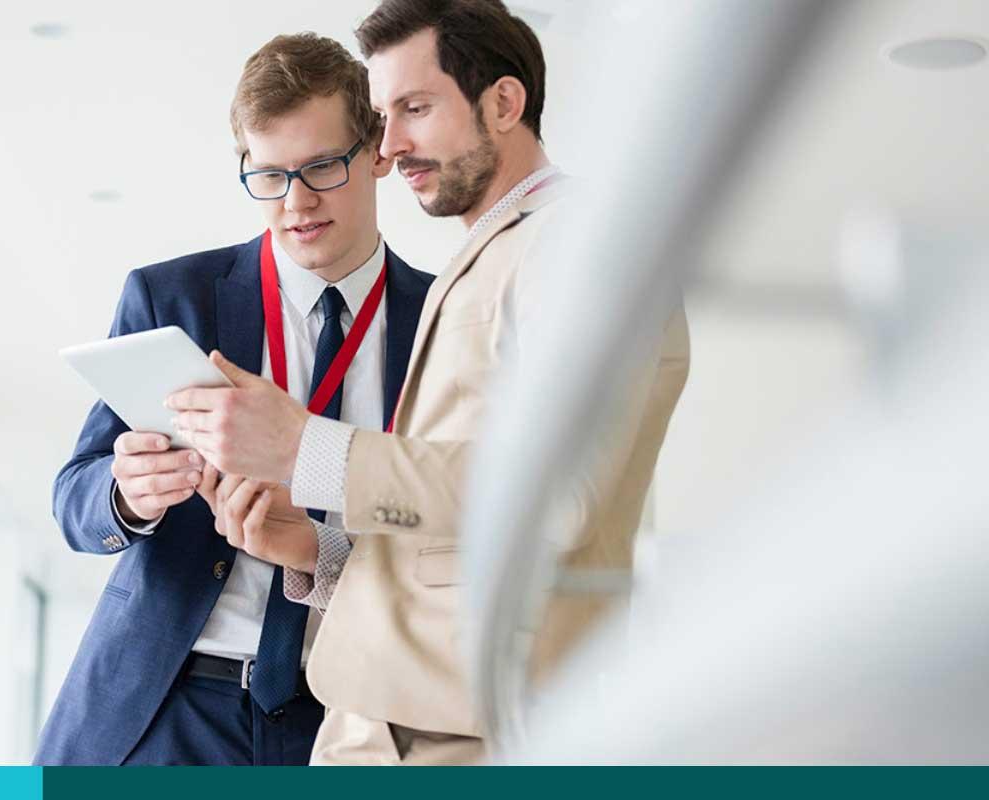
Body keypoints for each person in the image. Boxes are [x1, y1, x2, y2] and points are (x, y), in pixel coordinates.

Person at [175, 0, 691, 765]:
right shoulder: (500, 251)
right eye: (383, 116)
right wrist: (323, 549)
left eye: (415, 108)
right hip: (399, 715)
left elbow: (560, 493)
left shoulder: (580, 243)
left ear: (505, 103)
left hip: (461, 727)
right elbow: (469, 527)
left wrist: (308, 448)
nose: (390, 145)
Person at [33, 32, 434, 766]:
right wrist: (126, 494)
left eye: (322, 167)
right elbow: (72, 499)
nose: (298, 202)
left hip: (347, 715)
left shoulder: (442, 322)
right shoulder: (172, 298)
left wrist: (323, 547)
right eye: (270, 175)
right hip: (167, 704)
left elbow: (448, 542)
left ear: (376, 149)